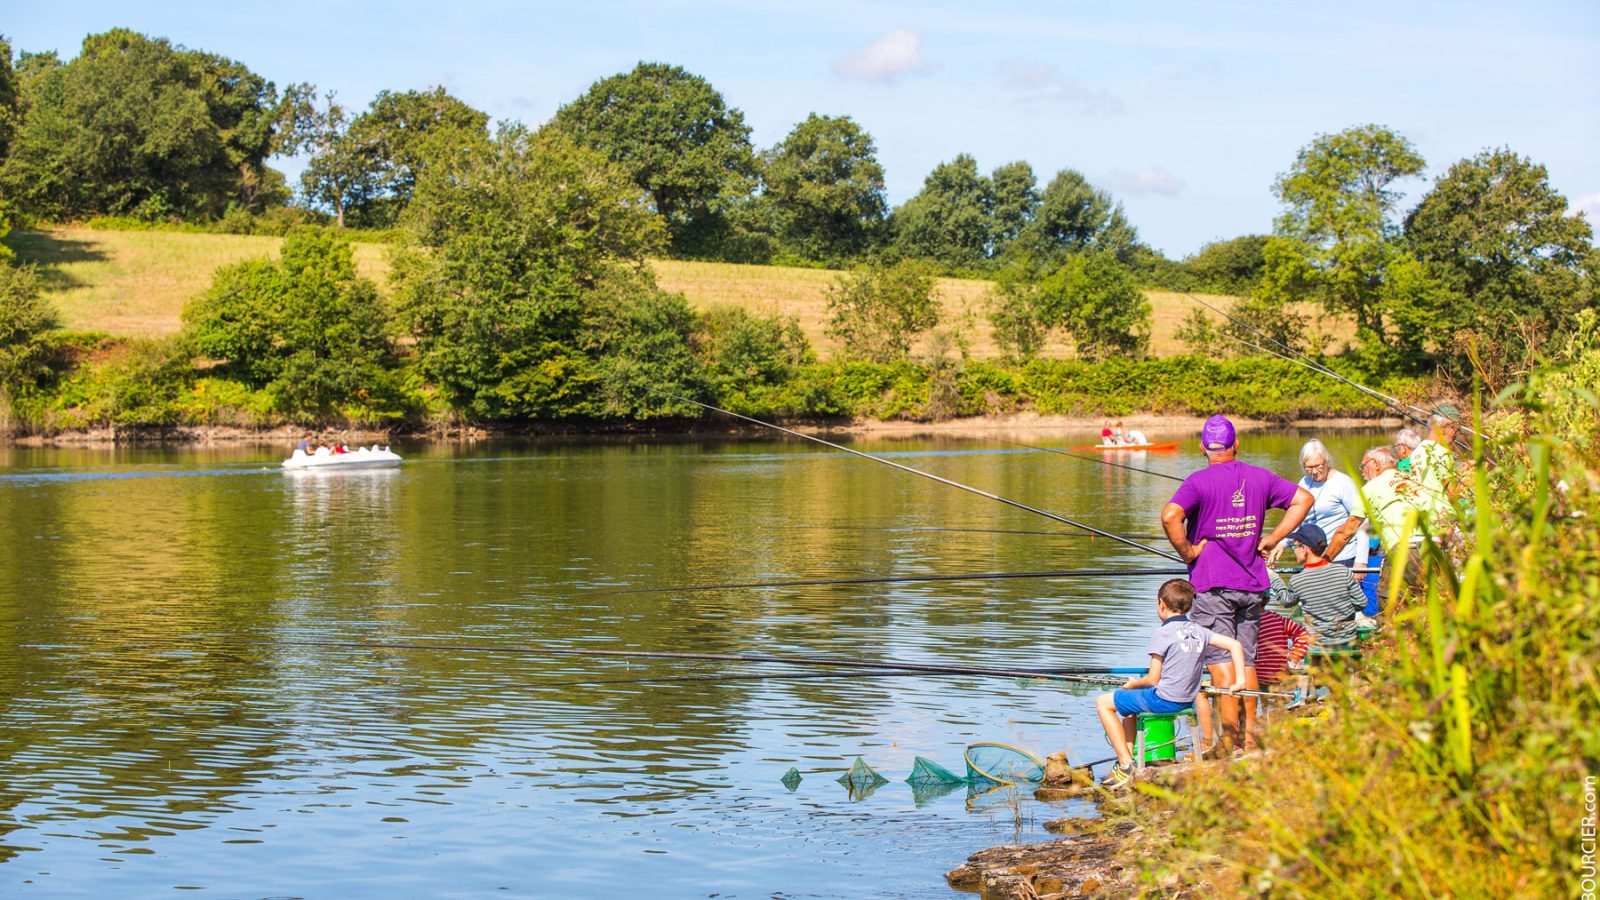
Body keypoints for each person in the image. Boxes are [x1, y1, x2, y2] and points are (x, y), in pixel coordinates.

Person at [1161, 414, 1313, 749]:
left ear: (1202, 447)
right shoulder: (1260, 477)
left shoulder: (1197, 482)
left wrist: (1188, 552)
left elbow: (1170, 516)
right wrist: (1273, 538)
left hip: (1213, 586)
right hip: (1252, 585)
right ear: (1237, 445)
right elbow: (1304, 499)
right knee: (1247, 660)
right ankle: (1250, 738)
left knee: (1221, 663)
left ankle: (1228, 744)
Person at [1095, 579, 1246, 789]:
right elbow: (1235, 645)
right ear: (1189, 606)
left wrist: (1132, 684)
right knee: (1128, 709)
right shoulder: (1200, 630)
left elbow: (1152, 679)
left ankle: (1126, 764)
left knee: (1103, 703)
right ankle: (1126, 760)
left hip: (1164, 699)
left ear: (1161, 604)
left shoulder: (1162, 633)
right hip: (1186, 700)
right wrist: (1240, 681)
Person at [1267, 524, 1367, 649]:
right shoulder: (1343, 571)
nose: (1294, 550)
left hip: (1318, 645)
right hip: (1347, 641)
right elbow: (1361, 603)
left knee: (1285, 638)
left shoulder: (1298, 580)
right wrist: (1341, 610)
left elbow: (1286, 601)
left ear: (1304, 548)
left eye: (1294, 546)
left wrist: (1273, 577)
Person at [1297, 439, 1367, 570]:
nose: (1314, 472)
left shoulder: (1344, 483)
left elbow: (1362, 521)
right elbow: (1296, 517)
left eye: (1318, 466)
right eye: (1309, 468)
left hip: (1342, 558)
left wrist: (1361, 561)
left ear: (1327, 460)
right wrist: (1281, 543)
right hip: (1312, 558)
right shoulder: (1304, 483)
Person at [1410, 407, 1459, 497]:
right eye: (1456, 431)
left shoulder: (1416, 452)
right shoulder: (1443, 453)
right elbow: (1453, 495)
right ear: (1444, 426)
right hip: (1442, 505)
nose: (1455, 437)